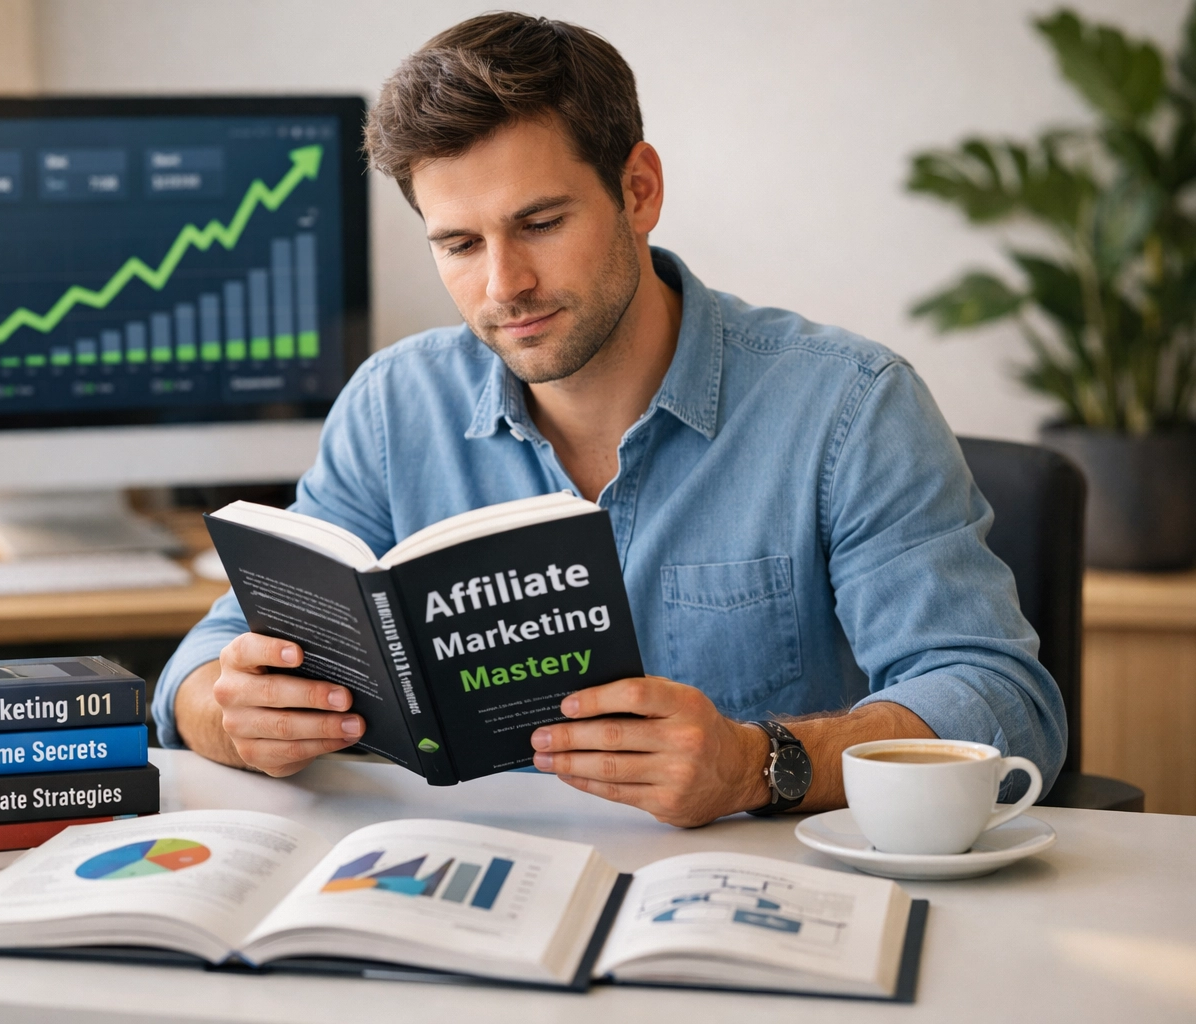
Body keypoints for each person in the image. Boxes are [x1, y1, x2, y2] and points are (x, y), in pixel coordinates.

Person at [153, 12, 1066, 827]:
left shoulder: (848, 407)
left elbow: (1003, 701)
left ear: (638, 189)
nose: (503, 285)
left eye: (541, 222)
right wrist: (228, 711)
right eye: (459, 245)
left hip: (756, 906)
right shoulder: (393, 408)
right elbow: (208, 660)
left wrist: (759, 766)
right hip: (467, 900)